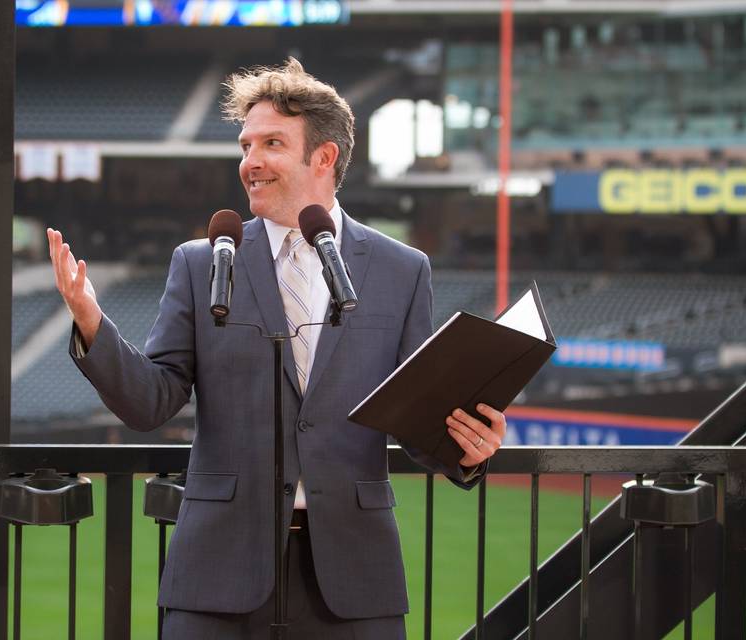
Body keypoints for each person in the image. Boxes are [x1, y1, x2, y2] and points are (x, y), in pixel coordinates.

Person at [47, 58, 506, 640]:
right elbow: (151, 402)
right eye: (245, 145)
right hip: (217, 571)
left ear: (323, 157)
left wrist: (468, 446)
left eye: (271, 143)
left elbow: (416, 417)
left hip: (354, 575)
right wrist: (90, 321)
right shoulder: (203, 260)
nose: (250, 162)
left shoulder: (401, 269)